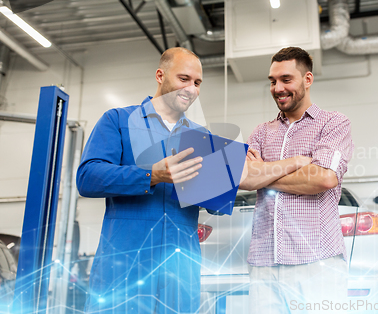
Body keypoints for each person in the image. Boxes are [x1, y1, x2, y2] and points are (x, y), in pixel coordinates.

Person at [77, 47, 208, 314]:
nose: (191, 89)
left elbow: (214, 200)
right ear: (160, 75)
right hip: (125, 268)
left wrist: (234, 174)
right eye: (184, 79)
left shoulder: (200, 137)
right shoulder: (118, 120)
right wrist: (152, 175)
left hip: (180, 273)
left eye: (197, 83)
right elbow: (88, 177)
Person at [239, 47, 354, 313]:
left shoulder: (334, 124)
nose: (277, 88)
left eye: (286, 79)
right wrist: (294, 164)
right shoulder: (261, 132)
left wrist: (264, 173)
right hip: (264, 262)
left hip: (317, 261)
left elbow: (324, 178)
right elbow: (243, 178)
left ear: (308, 79)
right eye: (272, 81)